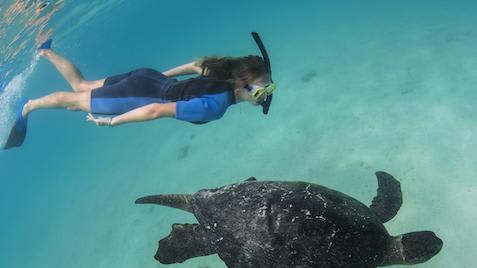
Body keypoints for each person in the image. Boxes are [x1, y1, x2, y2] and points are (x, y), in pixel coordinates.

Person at [2, 33, 276, 150]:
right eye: (265, 90)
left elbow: (194, 66)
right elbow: (156, 110)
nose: (266, 96)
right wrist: (111, 121)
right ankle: (28, 106)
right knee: (71, 100)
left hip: (148, 79)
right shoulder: (214, 107)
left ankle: (45, 50)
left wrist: (160, 77)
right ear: (244, 85)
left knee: (81, 87)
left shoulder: (224, 75)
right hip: (140, 95)